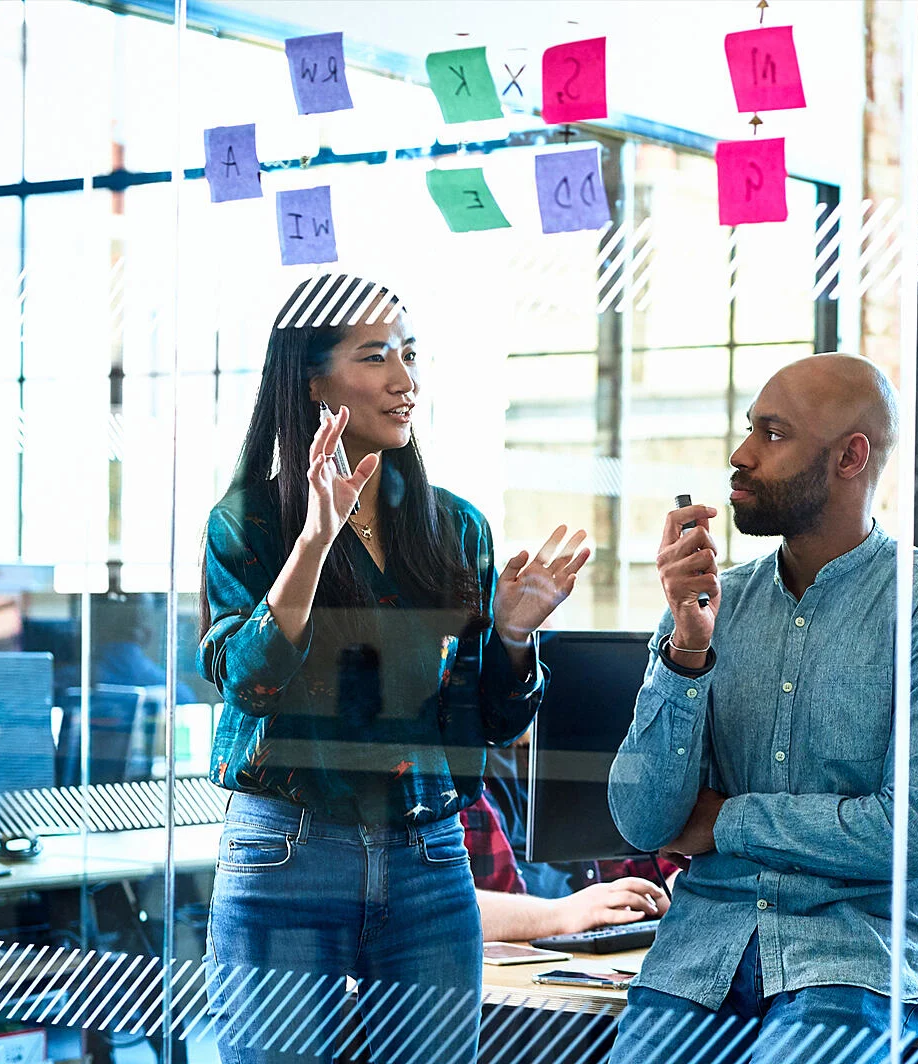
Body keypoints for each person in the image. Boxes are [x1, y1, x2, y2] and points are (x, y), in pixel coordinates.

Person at [197, 274, 589, 1064]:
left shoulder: (456, 529)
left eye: (410, 355)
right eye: (377, 357)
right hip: (288, 850)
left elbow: (488, 722)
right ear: (313, 383)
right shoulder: (250, 523)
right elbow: (252, 682)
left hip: (429, 856)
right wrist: (312, 542)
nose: (406, 382)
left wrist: (513, 636)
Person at [606, 354, 918, 1063]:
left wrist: (725, 819)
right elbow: (644, 822)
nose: (741, 454)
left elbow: (913, 836)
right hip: (698, 957)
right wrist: (685, 654)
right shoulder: (704, 605)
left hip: (854, 957)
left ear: (850, 457)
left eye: (773, 434)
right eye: (749, 428)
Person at [461, 789, 672, 941]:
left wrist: (655, 897)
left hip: (588, 957)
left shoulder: (558, 762)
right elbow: (436, 907)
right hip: (513, 983)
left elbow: (652, 867)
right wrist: (566, 913)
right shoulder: (449, 784)